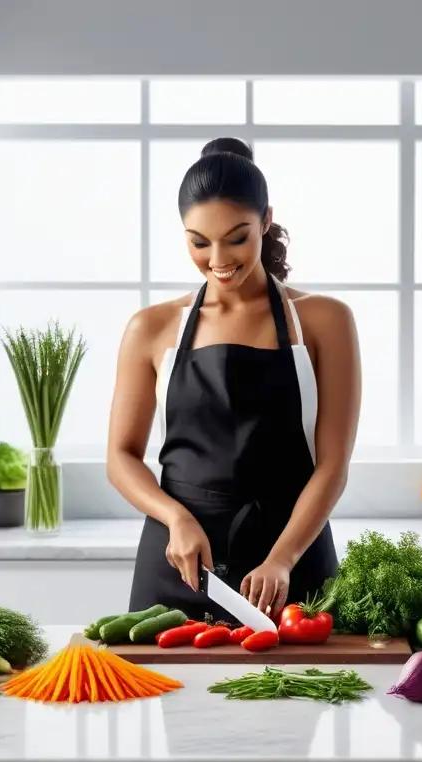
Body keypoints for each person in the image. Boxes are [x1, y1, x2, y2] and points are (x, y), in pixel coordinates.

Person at [107, 137, 361, 622]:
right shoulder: (152, 327)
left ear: (266, 221)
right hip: (179, 561)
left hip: (292, 562)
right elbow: (120, 457)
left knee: (306, 697)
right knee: (169, 698)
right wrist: (175, 518)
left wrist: (283, 558)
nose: (218, 258)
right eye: (199, 242)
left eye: (237, 237)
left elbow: (332, 464)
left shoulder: (325, 321)